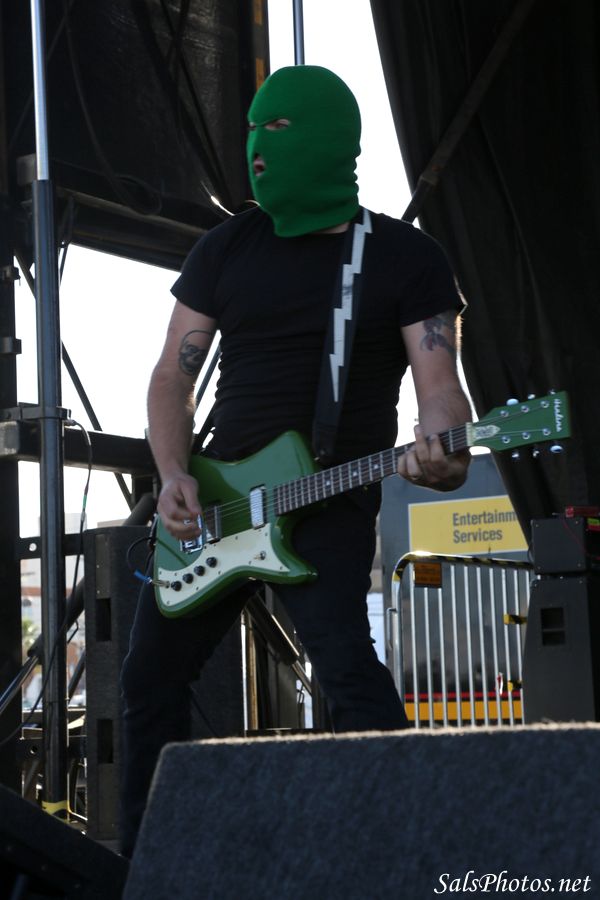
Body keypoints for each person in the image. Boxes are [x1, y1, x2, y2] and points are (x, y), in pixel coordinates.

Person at [119, 65, 471, 857]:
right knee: (147, 679)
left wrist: (442, 448)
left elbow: (440, 389)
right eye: (251, 128)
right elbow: (171, 376)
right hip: (218, 498)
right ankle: (146, 866)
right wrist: (174, 474)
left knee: (345, 670)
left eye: (276, 129)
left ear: (328, 139)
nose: (257, 146)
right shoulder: (224, 248)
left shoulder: (403, 256)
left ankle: (402, 855)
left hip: (328, 496)